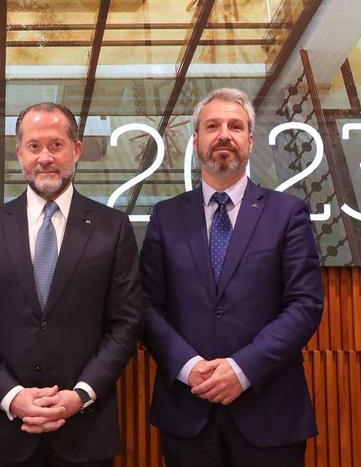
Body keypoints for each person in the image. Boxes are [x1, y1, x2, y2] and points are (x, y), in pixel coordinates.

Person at [140, 88, 324, 466]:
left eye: (235, 126)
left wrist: (242, 369)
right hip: (188, 411)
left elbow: (305, 304)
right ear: (196, 141)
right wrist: (189, 367)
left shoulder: (288, 213)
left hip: (269, 412)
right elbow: (145, 305)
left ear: (250, 141)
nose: (224, 134)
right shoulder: (166, 216)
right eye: (212, 126)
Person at [0, 102, 141, 467]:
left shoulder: (113, 228)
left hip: (86, 429)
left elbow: (126, 323)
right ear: (19, 153)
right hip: (9, 430)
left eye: (56, 145)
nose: (45, 158)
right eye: (34, 146)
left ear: (77, 149)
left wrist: (80, 395)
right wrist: (12, 396)